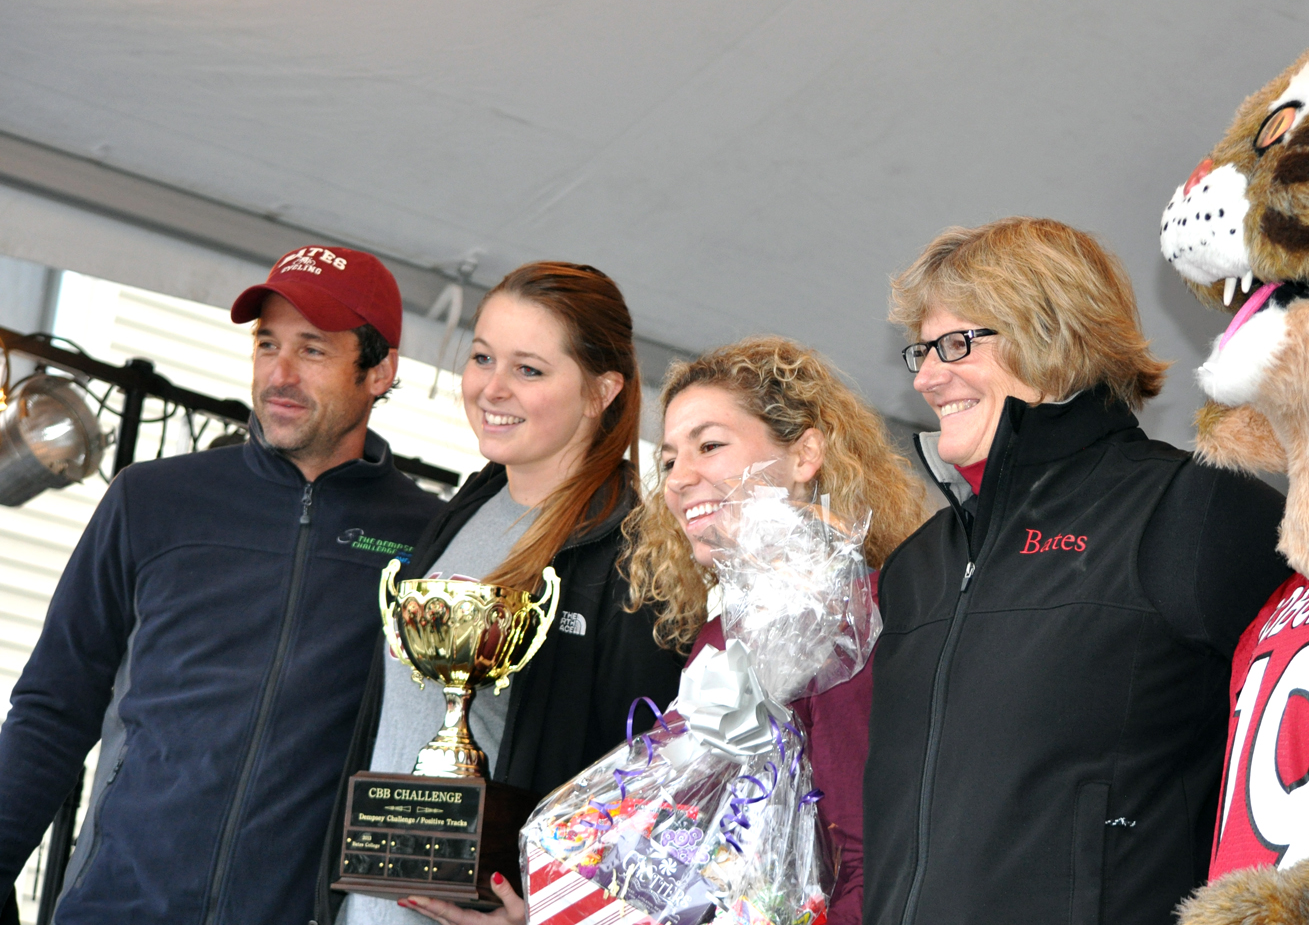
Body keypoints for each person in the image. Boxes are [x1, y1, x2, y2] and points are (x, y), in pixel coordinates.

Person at [863, 218, 1292, 925]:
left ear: (1053, 329)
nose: (927, 376)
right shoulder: (917, 566)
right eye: (922, 349)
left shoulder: (1195, 510)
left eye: (957, 343)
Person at [0, 246, 444, 924]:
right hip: (116, 908)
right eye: (268, 344)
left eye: (313, 350)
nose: (280, 375)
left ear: (378, 370)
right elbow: (53, 709)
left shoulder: (430, 542)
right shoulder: (150, 501)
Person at [320, 262, 685, 925]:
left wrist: (556, 915)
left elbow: (655, 789)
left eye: (529, 369)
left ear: (602, 389)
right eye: (483, 357)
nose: (492, 388)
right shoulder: (466, 509)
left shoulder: (636, 556)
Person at [624, 336, 929, 925]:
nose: (680, 478)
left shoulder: (858, 614)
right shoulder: (717, 635)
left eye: (709, 445)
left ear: (805, 454)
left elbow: (869, 856)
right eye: (667, 461)